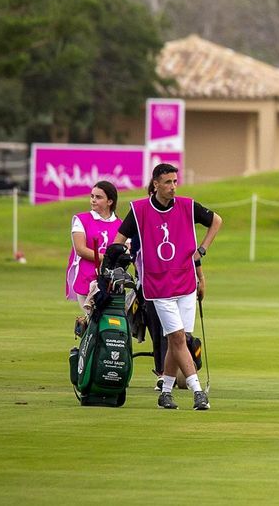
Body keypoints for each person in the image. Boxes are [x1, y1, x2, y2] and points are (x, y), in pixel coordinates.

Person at [116, 163, 221, 411]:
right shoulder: (139, 210)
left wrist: (201, 251)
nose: (173, 187)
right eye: (168, 182)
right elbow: (118, 242)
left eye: (175, 181)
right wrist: (123, 257)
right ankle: (197, 392)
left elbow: (216, 220)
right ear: (155, 184)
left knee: (179, 339)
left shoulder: (187, 205)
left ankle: (165, 393)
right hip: (158, 285)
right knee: (175, 337)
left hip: (185, 283)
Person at [67, 181, 122, 332]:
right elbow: (81, 250)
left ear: (110, 201)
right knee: (94, 323)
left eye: (98, 197)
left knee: (109, 324)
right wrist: (109, 257)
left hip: (111, 281)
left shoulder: (120, 224)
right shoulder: (81, 220)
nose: (93, 200)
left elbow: (125, 250)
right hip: (86, 278)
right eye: (92, 196)